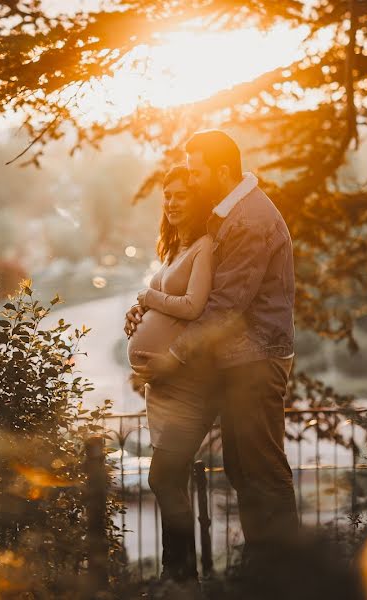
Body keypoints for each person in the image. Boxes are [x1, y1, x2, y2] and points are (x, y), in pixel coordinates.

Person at [129, 129, 298, 574]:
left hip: (257, 360)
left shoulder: (250, 221)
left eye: (200, 170)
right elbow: (194, 294)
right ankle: (263, 575)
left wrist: (175, 355)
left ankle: (284, 577)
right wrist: (145, 314)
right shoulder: (228, 215)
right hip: (234, 363)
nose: (195, 179)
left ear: (221, 171)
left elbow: (226, 306)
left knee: (261, 472)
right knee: (245, 472)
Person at [126, 165, 217, 585]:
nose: (173, 201)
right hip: (161, 390)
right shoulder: (173, 250)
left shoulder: (204, 246)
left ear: (196, 200)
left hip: (188, 385)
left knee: (161, 477)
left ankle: (181, 577)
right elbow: (166, 304)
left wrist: (148, 296)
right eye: (168, 194)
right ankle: (179, 578)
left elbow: (194, 306)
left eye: (182, 194)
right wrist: (138, 312)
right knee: (172, 482)